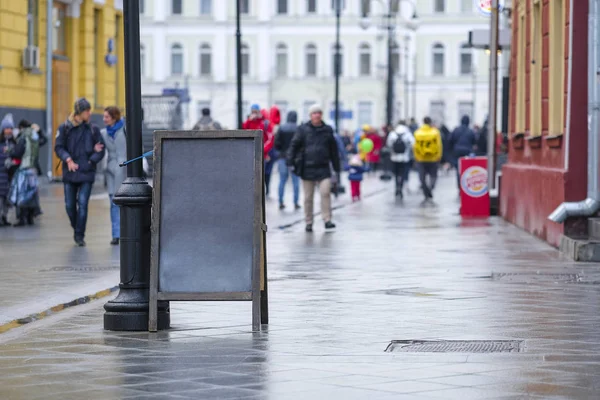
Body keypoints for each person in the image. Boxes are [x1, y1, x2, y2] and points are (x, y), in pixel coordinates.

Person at [55, 98, 106, 247]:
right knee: (70, 206)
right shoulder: (64, 128)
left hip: (86, 173)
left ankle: (79, 235)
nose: (90, 113)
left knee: (83, 204)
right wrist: (68, 159)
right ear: (79, 112)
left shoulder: (92, 129)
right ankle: (77, 227)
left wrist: (91, 161)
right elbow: (58, 147)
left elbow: (101, 149)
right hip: (70, 173)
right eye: (87, 111)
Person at [287, 104, 340, 232]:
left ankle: (327, 219)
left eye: (319, 113)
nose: (317, 115)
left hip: (323, 168)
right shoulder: (303, 129)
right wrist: (290, 161)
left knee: (325, 193)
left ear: (321, 115)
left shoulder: (327, 130)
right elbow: (294, 145)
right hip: (307, 168)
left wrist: (337, 167)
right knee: (308, 197)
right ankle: (309, 221)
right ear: (310, 116)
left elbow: (333, 149)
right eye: (314, 113)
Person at [8, 120, 43, 226]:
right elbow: (44, 140)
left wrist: (10, 151)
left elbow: (17, 153)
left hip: (24, 168)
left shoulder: (23, 137)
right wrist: (40, 131)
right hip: (33, 169)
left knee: (21, 194)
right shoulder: (34, 136)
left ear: (21, 127)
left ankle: (22, 218)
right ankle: (30, 218)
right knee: (32, 194)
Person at [101, 106, 127, 245]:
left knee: (125, 203)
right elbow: (99, 150)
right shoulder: (103, 133)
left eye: (106, 116)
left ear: (114, 117)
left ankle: (126, 232)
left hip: (125, 170)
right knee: (113, 203)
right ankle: (116, 234)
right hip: (111, 171)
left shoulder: (125, 130)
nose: (104, 119)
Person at [243, 104, 273, 195]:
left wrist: (262, 149)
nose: (254, 114)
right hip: (250, 152)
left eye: (255, 112)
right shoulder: (249, 121)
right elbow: (244, 132)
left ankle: (263, 190)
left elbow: (270, 139)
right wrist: (249, 120)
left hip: (262, 153)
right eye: (252, 112)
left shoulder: (265, 123)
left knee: (262, 173)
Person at [274, 110, 300, 210]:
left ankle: (281, 201)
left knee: (282, 180)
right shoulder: (298, 128)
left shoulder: (282, 128)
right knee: (295, 182)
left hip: (283, 157)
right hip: (295, 158)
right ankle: (296, 202)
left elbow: (276, 144)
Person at [413, 117, 443, 204]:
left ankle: (426, 191)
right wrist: (439, 156)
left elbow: (415, 146)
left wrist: (416, 156)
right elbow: (439, 145)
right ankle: (430, 189)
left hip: (421, 158)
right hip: (433, 158)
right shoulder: (436, 132)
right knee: (433, 176)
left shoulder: (417, 133)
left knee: (422, 176)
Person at [386, 120, 415, 198]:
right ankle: (401, 187)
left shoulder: (393, 133)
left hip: (394, 157)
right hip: (405, 158)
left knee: (396, 174)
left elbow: (388, 144)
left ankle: (396, 187)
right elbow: (413, 144)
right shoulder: (408, 134)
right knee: (402, 173)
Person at [448, 115, 476, 189]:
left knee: (458, 170)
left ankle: (459, 187)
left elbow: (450, 140)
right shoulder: (470, 131)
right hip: (467, 152)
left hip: (457, 152)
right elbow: (474, 141)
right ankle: (466, 186)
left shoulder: (456, 130)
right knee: (467, 170)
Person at [0, 115, 13, 226]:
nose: (9, 130)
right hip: (1, 175)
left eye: (10, 128)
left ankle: (4, 217)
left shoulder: (13, 143)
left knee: (6, 199)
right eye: (7, 128)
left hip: (8, 176)